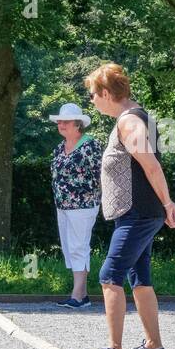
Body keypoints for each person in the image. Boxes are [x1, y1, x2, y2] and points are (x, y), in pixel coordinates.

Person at [84, 63, 175, 349]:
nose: (92, 100)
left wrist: (167, 204)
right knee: (139, 277)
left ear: (104, 93)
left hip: (137, 212)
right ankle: (153, 345)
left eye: (92, 95)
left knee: (109, 276)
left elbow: (151, 165)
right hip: (137, 212)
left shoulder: (129, 122)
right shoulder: (136, 117)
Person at [48, 102, 103, 308]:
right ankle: (83, 294)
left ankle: (77, 295)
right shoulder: (59, 148)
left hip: (84, 204)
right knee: (69, 248)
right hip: (63, 205)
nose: (61, 124)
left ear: (77, 124)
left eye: (65, 121)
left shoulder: (91, 145)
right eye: (59, 121)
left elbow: (101, 175)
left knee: (79, 246)